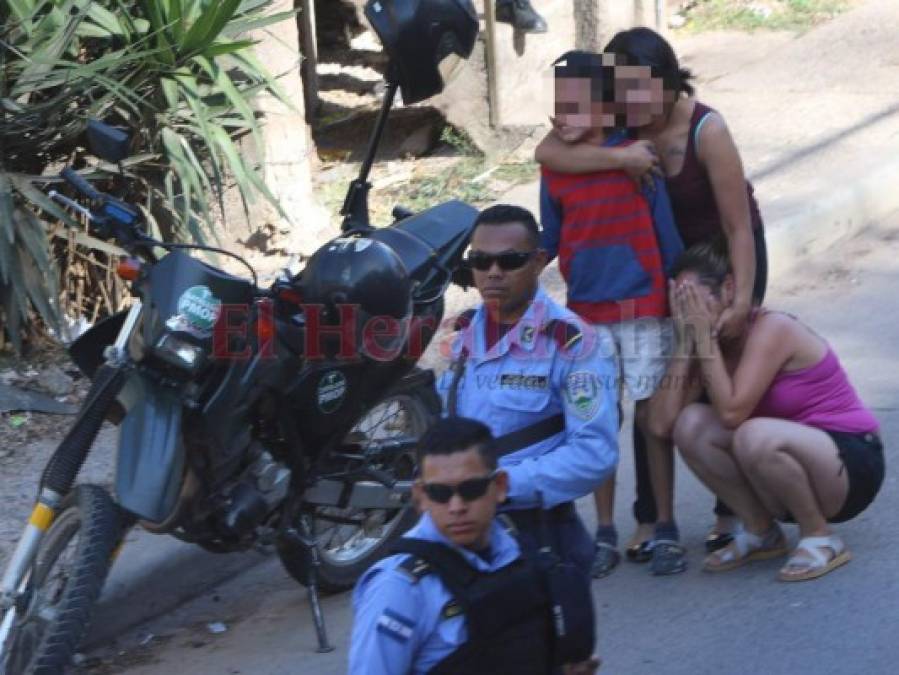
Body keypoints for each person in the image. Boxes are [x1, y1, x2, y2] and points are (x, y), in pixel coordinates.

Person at [535, 27, 768, 555]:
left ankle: (731, 513)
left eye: (643, 88)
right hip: (660, 272)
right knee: (653, 398)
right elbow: (548, 150)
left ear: (668, 81)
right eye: (622, 90)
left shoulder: (706, 130)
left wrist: (738, 301)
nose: (634, 102)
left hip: (724, 257)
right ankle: (646, 518)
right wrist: (620, 159)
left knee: (717, 380)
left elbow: (737, 229)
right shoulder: (616, 123)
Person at [655, 243, 884, 581]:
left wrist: (702, 339)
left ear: (729, 289)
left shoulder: (772, 328)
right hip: (785, 461)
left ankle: (819, 537)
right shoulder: (707, 343)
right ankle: (761, 531)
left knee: (751, 433)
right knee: (690, 425)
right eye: (683, 305)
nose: (693, 314)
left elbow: (733, 414)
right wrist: (686, 342)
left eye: (697, 301)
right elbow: (662, 425)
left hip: (851, 461)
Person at [539, 51, 685, 577]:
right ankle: (603, 531)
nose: (562, 116)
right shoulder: (555, 169)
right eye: (557, 106)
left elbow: (666, 237)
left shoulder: (639, 157)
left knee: (652, 420)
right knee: (597, 420)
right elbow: (548, 240)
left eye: (575, 105)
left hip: (645, 310)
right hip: (587, 316)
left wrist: (678, 298)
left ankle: (665, 526)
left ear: (606, 108)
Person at [436, 203, 619, 583]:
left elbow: (594, 453)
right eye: (481, 261)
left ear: (538, 261)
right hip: (458, 531)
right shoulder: (465, 333)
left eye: (510, 261)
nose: (493, 273)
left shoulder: (571, 342)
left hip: (537, 537)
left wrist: (499, 487)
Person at [348, 417, 599, 674]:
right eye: (440, 494)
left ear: (500, 486)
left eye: (471, 489)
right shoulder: (398, 588)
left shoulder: (515, 552)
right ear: (421, 497)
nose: (457, 507)